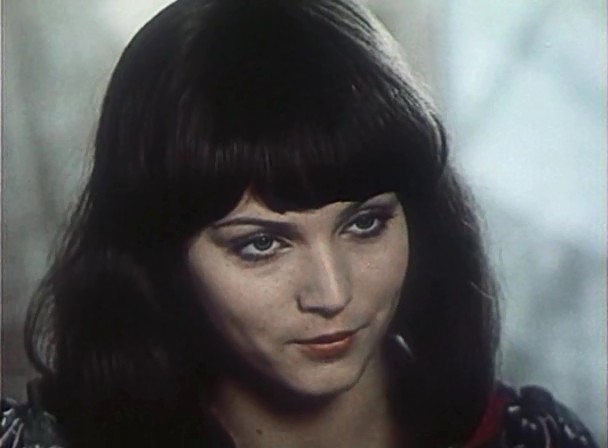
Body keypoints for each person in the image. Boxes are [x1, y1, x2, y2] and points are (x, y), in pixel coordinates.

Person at [0, 0, 598, 447]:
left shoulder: (532, 440)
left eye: (365, 224)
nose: (332, 293)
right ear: (157, 254)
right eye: (262, 244)